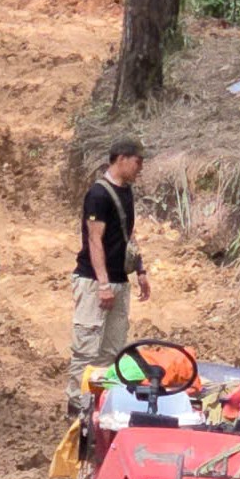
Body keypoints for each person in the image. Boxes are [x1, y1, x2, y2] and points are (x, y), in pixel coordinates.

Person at [68, 140, 152, 405]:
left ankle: (99, 404)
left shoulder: (126, 192)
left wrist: (139, 269)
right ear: (122, 159)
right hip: (95, 282)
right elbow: (95, 240)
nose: (140, 168)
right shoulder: (98, 194)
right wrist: (103, 284)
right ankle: (77, 405)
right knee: (86, 349)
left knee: (111, 351)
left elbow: (128, 233)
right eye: (138, 161)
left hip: (119, 281)